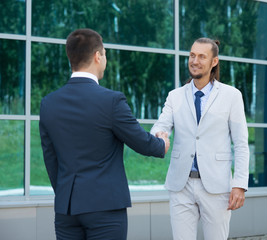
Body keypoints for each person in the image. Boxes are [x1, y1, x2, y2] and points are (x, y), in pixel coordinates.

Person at [39, 28, 170, 240]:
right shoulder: (110, 101)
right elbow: (140, 141)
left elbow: (50, 159)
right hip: (105, 208)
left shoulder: (48, 103)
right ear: (97, 56)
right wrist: (161, 143)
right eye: (105, 54)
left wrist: (65, 193)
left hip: (66, 210)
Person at [151, 37, 249, 240]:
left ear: (214, 62)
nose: (194, 61)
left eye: (202, 57)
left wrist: (239, 184)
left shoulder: (232, 96)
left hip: (217, 186)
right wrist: (160, 134)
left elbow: (241, 143)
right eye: (192, 55)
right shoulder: (175, 96)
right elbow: (161, 125)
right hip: (181, 184)